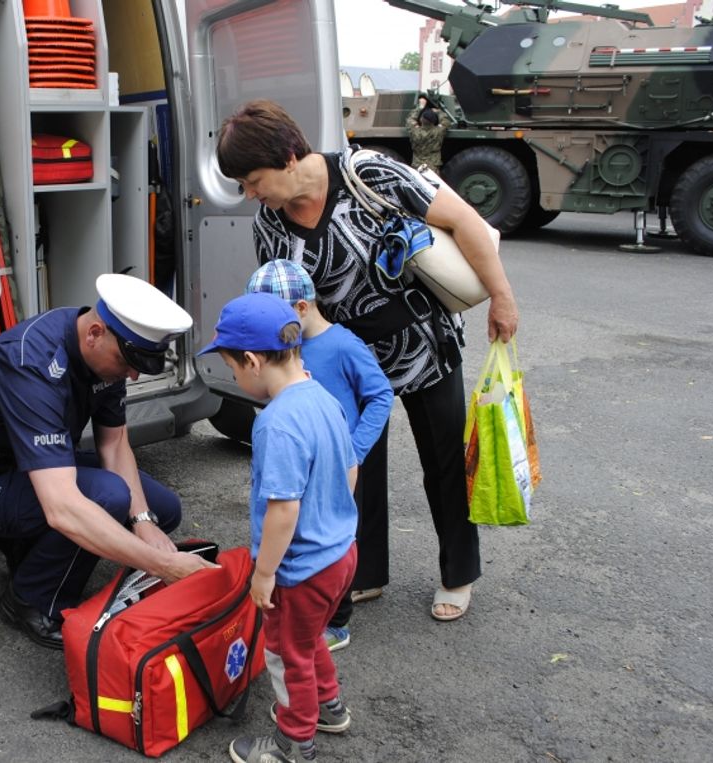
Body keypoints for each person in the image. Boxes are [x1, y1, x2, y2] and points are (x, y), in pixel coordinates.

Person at [216, 99, 519, 622]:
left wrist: (502, 297)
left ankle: (458, 573)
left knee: (444, 461)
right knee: (352, 461)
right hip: (343, 356)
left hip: (421, 341)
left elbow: (464, 221)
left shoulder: (366, 174)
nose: (250, 193)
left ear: (289, 157)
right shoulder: (269, 225)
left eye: (252, 178)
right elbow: (282, 303)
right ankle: (364, 571)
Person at [0, 273, 215, 649]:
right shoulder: (31, 364)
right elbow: (62, 508)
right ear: (94, 333)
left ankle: (33, 549)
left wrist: (144, 522)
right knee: (107, 498)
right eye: (127, 361)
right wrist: (161, 564)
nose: (132, 374)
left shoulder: (106, 348)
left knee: (161, 510)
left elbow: (115, 444)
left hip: (39, 468)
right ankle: (29, 599)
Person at [198, 291, 358, 763]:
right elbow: (350, 470)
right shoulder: (321, 395)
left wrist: (264, 573)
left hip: (300, 570)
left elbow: (283, 511)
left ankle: (294, 743)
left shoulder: (276, 423)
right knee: (307, 641)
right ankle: (328, 708)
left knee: (287, 656)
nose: (233, 376)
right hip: (340, 554)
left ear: (251, 360)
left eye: (231, 368)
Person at [244, 259, 392, 651]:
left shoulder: (342, 344)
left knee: (336, 540)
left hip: (339, 464)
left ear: (302, 309)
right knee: (300, 535)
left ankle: (337, 622)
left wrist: (355, 450)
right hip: (300, 462)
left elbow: (380, 395)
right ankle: (305, 604)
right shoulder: (283, 349)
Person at [407, 95, 452, 172]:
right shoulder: (438, 131)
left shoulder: (414, 130)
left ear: (421, 120)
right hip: (433, 167)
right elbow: (446, 122)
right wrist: (438, 111)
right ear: (434, 122)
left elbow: (410, 119)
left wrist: (420, 107)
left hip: (417, 166)